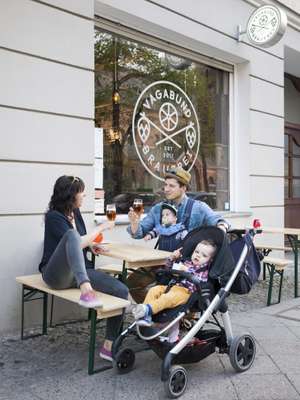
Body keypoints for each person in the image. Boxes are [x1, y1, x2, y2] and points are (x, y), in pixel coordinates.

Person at [39, 175, 129, 362]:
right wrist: (102, 227)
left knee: (121, 289)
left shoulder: (76, 213)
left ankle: (109, 346)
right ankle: (86, 289)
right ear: (70, 195)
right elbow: (75, 240)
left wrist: (92, 246)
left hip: (79, 273)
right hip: (56, 274)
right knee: (72, 235)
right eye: (81, 192)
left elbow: (80, 243)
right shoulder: (54, 217)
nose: (84, 195)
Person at [126, 167, 229, 302]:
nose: (166, 189)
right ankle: (155, 312)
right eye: (165, 185)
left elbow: (221, 222)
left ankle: (184, 316)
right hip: (162, 262)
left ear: (183, 188)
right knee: (132, 284)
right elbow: (140, 232)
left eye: (172, 186)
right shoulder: (159, 208)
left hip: (186, 266)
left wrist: (220, 230)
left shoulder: (199, 207)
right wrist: (134, 223)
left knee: (179, 292)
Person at [131, 239, 217, 329]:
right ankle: (146, 317)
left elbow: (198, 281)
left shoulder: (205, 270)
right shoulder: (186, 262)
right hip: (173, 287)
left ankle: (147, 309)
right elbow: (169, 268)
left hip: (186, 293)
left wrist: (187, 271)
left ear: (210, 260)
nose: (198, 255)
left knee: (166, 297)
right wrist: (172, 258)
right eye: (196, 252)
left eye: (204, 255)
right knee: (154, 290)